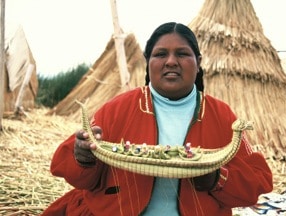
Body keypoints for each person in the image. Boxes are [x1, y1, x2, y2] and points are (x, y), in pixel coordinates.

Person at [42, 22, 273, 216]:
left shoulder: (221, 116)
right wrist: (83, 157)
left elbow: (256, 181)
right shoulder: (117, 109)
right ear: (148, 61)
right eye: (161, 54)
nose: (171, 61)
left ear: (199, 62)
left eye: (182, 54)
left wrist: (216, 178)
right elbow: (77, 175)